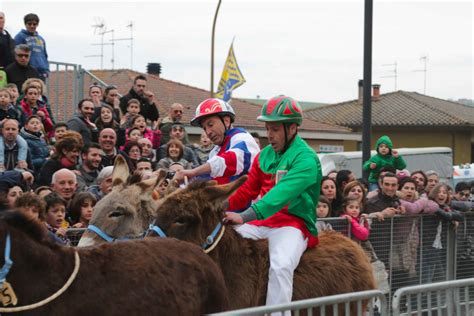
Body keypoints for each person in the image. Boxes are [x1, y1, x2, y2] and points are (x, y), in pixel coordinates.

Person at [224, 95, 321, 310]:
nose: (270, 135)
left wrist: (243, 216)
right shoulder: (264, 155)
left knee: (280, 266)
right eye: (268, 129)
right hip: (261, 223)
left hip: (292, 224)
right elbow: (247, 190)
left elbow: (278, 197)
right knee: (226, 247)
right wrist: (219, 206)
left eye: (275, 129)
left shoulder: (306, 159)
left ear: (293, 128)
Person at [175, 98, 259, 184]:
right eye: (204, 128)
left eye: (210, 125)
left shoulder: (242, 138)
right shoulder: (214, 152)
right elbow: (206, 177)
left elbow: (232, 160)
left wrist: (194, 172)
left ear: (226, 121)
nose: (208, 132)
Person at [14, 13, 49, 81]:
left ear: (37, 25)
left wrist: (46, 70)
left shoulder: (41, 39)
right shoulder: (20, 36)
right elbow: (16, 54)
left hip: (41, 73)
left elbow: (45, 55)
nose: (32, 26)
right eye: (29, 24)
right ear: (25, 24)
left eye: (34, 24)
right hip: (27, 72)